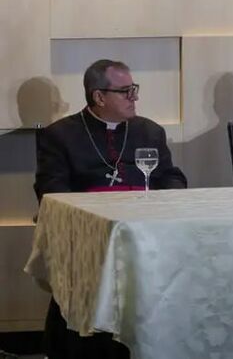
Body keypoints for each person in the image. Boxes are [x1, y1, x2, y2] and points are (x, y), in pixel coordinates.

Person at [35, 59, 188, 359]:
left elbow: (170, 175)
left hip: (145, 233)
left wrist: (168, 199)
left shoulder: (149, 131)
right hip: (89, 236)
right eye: (126, 91)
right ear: (99, 97)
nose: (135, 97)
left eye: (134, 89)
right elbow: (51, 191)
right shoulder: (60, 135)